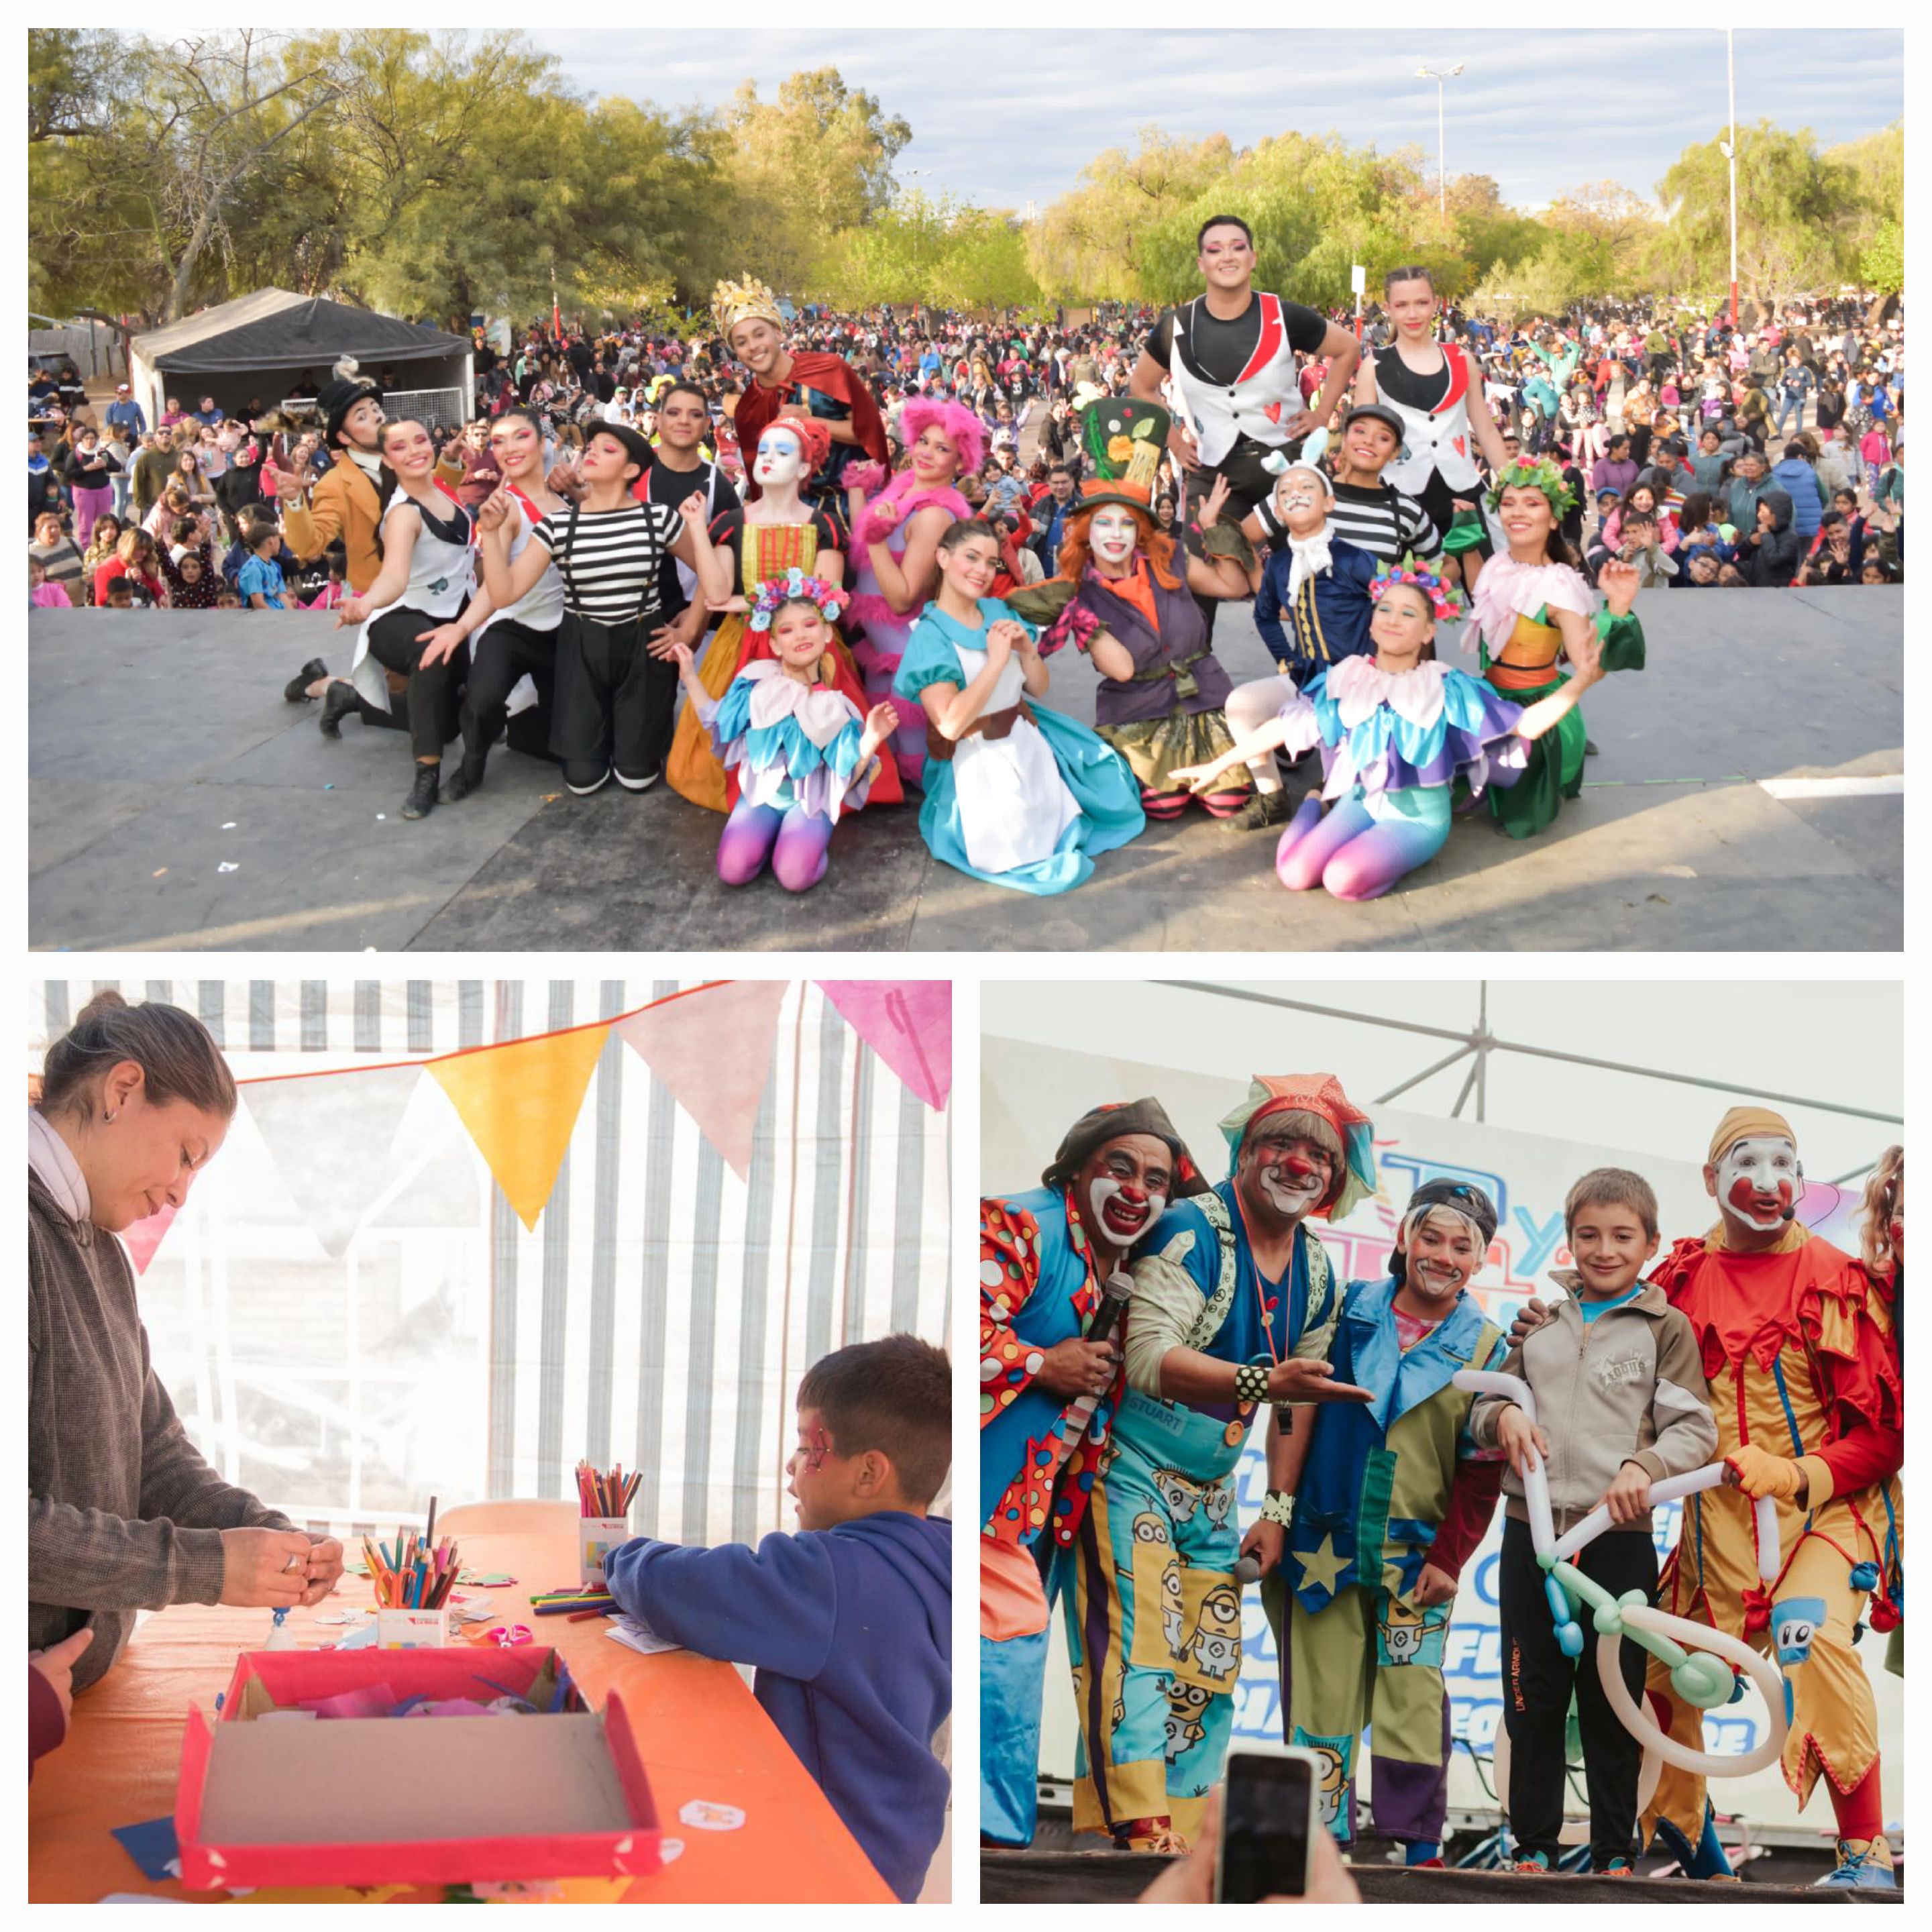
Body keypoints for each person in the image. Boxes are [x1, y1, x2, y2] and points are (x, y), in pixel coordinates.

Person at [1510, 1107, 1903, 1889]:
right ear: (1711, 1178)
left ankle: (1865, 1857)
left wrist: (1795, 1474)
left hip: (1825, 1514)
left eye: (1785, 1163)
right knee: (1652, 1684)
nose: (1767, 1182)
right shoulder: (1679, 1281)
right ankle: (1707, 1872)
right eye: (1746, 1163)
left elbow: (1886, 1440)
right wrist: (1539, 1328)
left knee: (1806, 1633)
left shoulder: (1836, 1279)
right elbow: (1600, 1330)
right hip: (1714, 1523)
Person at [1054, 1074, 1378, 1851]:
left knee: (1210, 1660)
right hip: (1125, 1467)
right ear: (1246, 1152)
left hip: (1212, 1492)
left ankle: (1187, 1826)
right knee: (1140, 1641)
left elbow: (1301, 1401)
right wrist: (1263, 1381)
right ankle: (1138, 1816)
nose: (1299, 1165)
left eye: (1318, 1156)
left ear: (1335, 1180)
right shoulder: (1191, 1232)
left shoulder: (1319, 1270)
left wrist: (1276, 1510)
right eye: (1282, 1145)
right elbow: (1145, 1358)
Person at [30, 994, 347, 1703]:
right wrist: (203, 1566)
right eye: (184, 1155)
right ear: (121, 1090)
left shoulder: (101, 1256)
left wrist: (259, 1532)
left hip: (75, 1698)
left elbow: (154, 1453)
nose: (179, 1194)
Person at [602, 1334, 951, 1903]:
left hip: (820, 1858)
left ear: (868, 1474)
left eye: (805, 1446)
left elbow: (686, 1589)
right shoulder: (943, 1557)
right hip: (895, 1851)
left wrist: (619, 1556)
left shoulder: (831, 1575)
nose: (792, 1467)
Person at [1244, 1179, 1508, 1867]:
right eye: (1431, 1236)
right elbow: (1292, 1413)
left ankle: (1419, 1847)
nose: (1443, 1255)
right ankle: (1318, 1846)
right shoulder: (1343, 1309)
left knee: (1412, 1700)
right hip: (1319, 1546)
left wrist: (1452, 1558)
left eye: (1462, 1245)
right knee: (1321, 1698)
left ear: (1481, 1259)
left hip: (1415, 1558)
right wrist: (1275, 1511)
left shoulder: (1487, 1347)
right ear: (1403, 1238)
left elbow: (1482, 1471)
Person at [1469, 1168, 1719, 1876]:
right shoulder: (1539, 1323)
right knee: (1532, 1694)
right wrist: (1506, 1414)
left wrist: (1644, 1467)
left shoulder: (1667, 1328)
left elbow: (1695, 1430)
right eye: (1588, 1235)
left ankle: (1614, 1850)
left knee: (1614, 1698)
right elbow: (1482, 1408)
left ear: (1650, 1244)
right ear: (1568, 1238)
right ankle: (1533, 1848)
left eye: (1621, 1236)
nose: (1603, 1250)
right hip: (1534, 1535)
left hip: (1618, 1539)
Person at [979, 1099, 1208, 1848]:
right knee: (1003, 1666)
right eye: (1120, 1168)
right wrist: (1045, 1363)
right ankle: (992, 1845)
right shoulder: (1018, 1224)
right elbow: (956, 1334)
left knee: (1007, 1664)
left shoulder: (1133, 1270)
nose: (1138, 1190)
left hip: (1047, 1511)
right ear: (1076, 1169)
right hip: (980, 1503)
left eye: (1155, 1179)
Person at [1012, 397, 1256, 822]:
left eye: (1127, 523)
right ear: (1087, 531)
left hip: (1205, 703)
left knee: (1229, 803)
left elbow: (1232, 586)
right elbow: (1121, 671)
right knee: (1164, 808)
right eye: (1104, 523)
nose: (1116, 534)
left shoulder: (1173, 556)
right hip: (1139, 712)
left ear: (1141, 529)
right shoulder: (1078, 591)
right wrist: (1083, 620)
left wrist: (1213, 524)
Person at [895, 519, 1144, 894]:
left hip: (1027, 743)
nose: (981, 571)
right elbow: (949, 724)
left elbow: (1039, 688)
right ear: (943, 558)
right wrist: (995, 663)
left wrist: (1028, 652)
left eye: (991, 562)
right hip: (978, 759)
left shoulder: (999, 611)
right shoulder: (931, 636)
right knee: (1019, 843)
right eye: (971, 557)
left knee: (1112, 785)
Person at [477, 420, 707, 798]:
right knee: (583, 782)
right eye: (591, 447)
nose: (592, 452)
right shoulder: (557, 526)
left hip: (642, 646)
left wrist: (689, 629)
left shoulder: (657, 517)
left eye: (608, 449)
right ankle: (601, 735)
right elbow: (504, 595)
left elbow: (711, 574)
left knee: (637, 777)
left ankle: (631, 736)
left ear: (632, 470)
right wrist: (490, 533)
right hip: (581, 645)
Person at [665, 413, 875, 812]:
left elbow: (823, 600)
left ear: (802, 468)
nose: (768, 458)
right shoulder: (731, 522)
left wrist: (747, 602)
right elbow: (716, 593)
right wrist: (695, 526)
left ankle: (804, 793)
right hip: (741, 646)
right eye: (763, 450)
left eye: (782, 452)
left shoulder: (823, 524)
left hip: (805, 645)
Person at [1131, 215, 1361, 539]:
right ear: (1201, 263)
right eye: (1215, 250)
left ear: (1253, 258)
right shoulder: (1177, 325)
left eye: (1238, 247)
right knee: (1204, 572)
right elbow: (1141, 385)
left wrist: (1323, 415)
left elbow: (1348, 348)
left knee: (1310, 572)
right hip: (1212, 472)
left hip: (1289, 465)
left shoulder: (1284, 315)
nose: (1227, 256)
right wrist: (1177, 445)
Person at [670, 573, 896, 893]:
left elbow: (847, 778)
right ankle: (768, 843)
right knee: (733, 872)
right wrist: (690, 675)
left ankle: (801, 850)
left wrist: (871, 739)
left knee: (795, 878)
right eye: (787, 630)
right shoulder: (756, 683)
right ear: (774, 643)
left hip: (808, 805)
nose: (800, 635)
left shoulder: (836, 707)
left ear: (827, 632)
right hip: (761, 799)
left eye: (810, 625)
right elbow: (716, 719)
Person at [1467, 458, 1646, 839]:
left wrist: (1616, 608)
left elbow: (1588, 666)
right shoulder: (1497, 564)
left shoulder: (1559, 587)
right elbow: (1485, 608)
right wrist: (1465, 550)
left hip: (1538, 715)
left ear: (1553, 519)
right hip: (1490, 700)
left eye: (1532, 503)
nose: (1517, 511)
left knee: (1517, 819)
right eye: (1509, 502)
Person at [318, 417, 480, 821]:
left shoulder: (443, 489)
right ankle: (426, 774)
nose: (414, 452)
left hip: (454, 612)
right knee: (431, 655)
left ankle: (352, 697)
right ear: (387, 460)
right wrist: (366, 603)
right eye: (400, 447)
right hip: (400, 615)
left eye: (420, 441)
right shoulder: (403, 515)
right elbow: (394, 576)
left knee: (447, 724)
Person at [844, 398, 981, 785]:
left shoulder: (936, 513)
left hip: (907, 654)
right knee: (882, 763)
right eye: (923, 441)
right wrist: (860, 491)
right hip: (883, 654)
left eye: (942, 449)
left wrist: (874, 538)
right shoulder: (901, 489)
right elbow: (868, 545)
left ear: (960, 461)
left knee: (917, 771)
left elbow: (903, 598)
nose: (926, 453)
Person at [1354, 267, 1513, 591]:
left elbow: (1485, 429)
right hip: (1401, 499)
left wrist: (1517, 483)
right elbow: (1361, 445)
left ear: (1436, 303)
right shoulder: (1375, 366)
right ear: (1388, 308)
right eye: (1401, 305)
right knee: (1408, 607)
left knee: (1491, 598)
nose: (1412, 314)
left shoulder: (1461, 359)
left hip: (1464, 495)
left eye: (1422, 303)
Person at [440, 408, 569, 801]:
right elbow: (495, 588)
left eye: (520, 437)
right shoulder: (504, 507)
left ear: (542, 443)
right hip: (511, 627)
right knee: (482, 701)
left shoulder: (566, 504)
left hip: (562, 631)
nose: (510, 448)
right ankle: (472, 763)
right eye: (499, 441)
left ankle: (523, 733)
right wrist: (462, 628)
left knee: (567, 739)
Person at [714, 275, 890, 533]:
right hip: (793, 525)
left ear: (777, 332)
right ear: (736, 352)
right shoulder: (748, 408)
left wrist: (809, 422)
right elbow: (761, 482)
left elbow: (869, 434)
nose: (753, 347)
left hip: (856, 511)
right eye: (741, 342)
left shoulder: (830, 370)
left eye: (759, 334)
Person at [275, 358, 387, 594]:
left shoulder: (404, 461)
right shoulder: (335, 484)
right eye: (362, 416)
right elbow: (309, 545)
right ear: (344, 437)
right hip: (380, 598)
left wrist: (451, 462)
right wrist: (295, 500)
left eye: (376, 409)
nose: (378, 417)